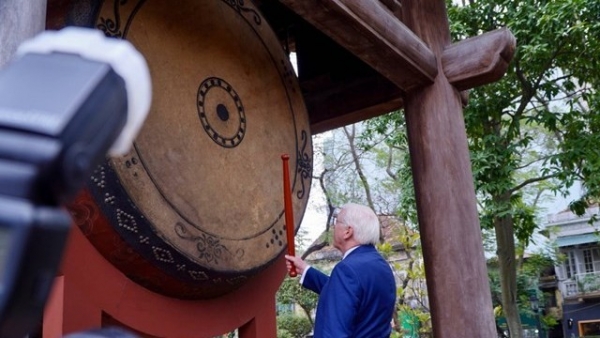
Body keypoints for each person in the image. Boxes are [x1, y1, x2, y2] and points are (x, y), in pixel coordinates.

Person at [285, 203, 396, 338]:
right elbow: (349, 293)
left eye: (336, 221)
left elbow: (333, 332)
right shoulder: (381, 265)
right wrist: (305, 270)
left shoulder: (347, 269)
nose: (333, 226)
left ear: (348, 231)